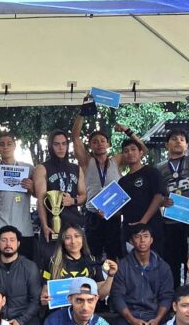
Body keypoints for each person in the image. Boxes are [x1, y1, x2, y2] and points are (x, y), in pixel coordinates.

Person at [156, 100, 189, 285]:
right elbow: (157, 196)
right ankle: (172, 298)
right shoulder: (159, 169)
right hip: (169, 223)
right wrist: (162, 202)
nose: (177, 141)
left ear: (187, 145)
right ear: (166, 145)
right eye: (173, 139)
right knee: (170, 264)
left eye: (181, 139)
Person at [72, 100, 131, 261]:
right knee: (92, 256)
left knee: (115, 256)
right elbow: (75, 137)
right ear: (90, 146)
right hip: (93, 215)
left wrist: (127, 130)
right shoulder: (86, 162)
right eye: (95, 142)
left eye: (102, 141)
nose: (99, 144)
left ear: (108, 144)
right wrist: (83, 112)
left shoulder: (117, 161)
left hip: (113, 214)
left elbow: (141, 151)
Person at [33, 129, 86, 245]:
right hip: (51, 224)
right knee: (52, 256)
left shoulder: (76, 169)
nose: (61, 148)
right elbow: (41, 200)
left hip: (74, 223)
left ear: (67, 145)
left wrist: (73, 200)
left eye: (64, 144)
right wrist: (44, 225)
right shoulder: (42, 168)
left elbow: (84, 196)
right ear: (50, 146)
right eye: (56, 144)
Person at [0, 132, 36, 260]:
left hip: (23, 230)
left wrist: (32, 188)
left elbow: (40, 195)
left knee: (25, 268)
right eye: (2, 144)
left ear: (15, 146)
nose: (5, 147)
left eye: (9, 144)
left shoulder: (29, 169)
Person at [117, 137, 165, 250]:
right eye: (126, 151)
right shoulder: (122, 181)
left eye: (133, 149)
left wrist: (143, 222)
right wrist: (106, 213)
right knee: (131, 259)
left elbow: (158, 197)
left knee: (154, 259)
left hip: (152, 227)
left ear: (141, 152)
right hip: (130, 229)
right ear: (123, 155)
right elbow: (120, 209)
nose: (130, 153)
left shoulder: (152, 173)